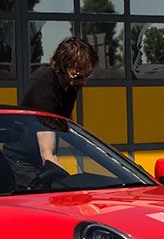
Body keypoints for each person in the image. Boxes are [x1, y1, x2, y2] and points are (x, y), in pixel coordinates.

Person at [6, 37, 98, 188]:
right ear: (62, 67)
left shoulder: (69, 84)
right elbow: (47, 155)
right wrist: (73, 185)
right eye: (79, 77)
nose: (84, 82)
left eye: (87, 76)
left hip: (36, 159)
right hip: (22, 162)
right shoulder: (46, 96)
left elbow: (67, 127)